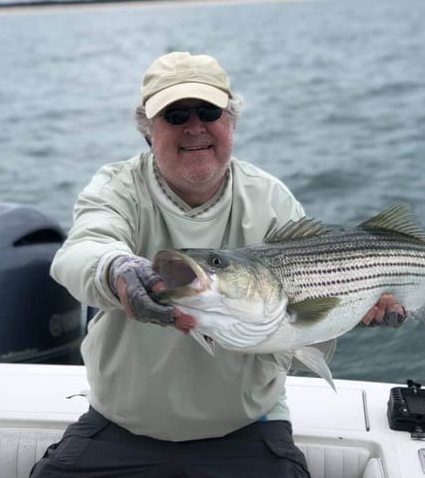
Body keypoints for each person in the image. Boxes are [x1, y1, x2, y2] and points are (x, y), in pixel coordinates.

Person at [30, 51, 403, 478]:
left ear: (231, 122)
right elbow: (83, 249)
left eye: (209, 111)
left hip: (247, 425)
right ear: (148, 132)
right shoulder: (117, 188)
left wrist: (355, 308)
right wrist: (116, 268)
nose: (194, 127)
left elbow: (306, 332)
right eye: (174, 115)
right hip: (121, 425)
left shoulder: (271, 200)